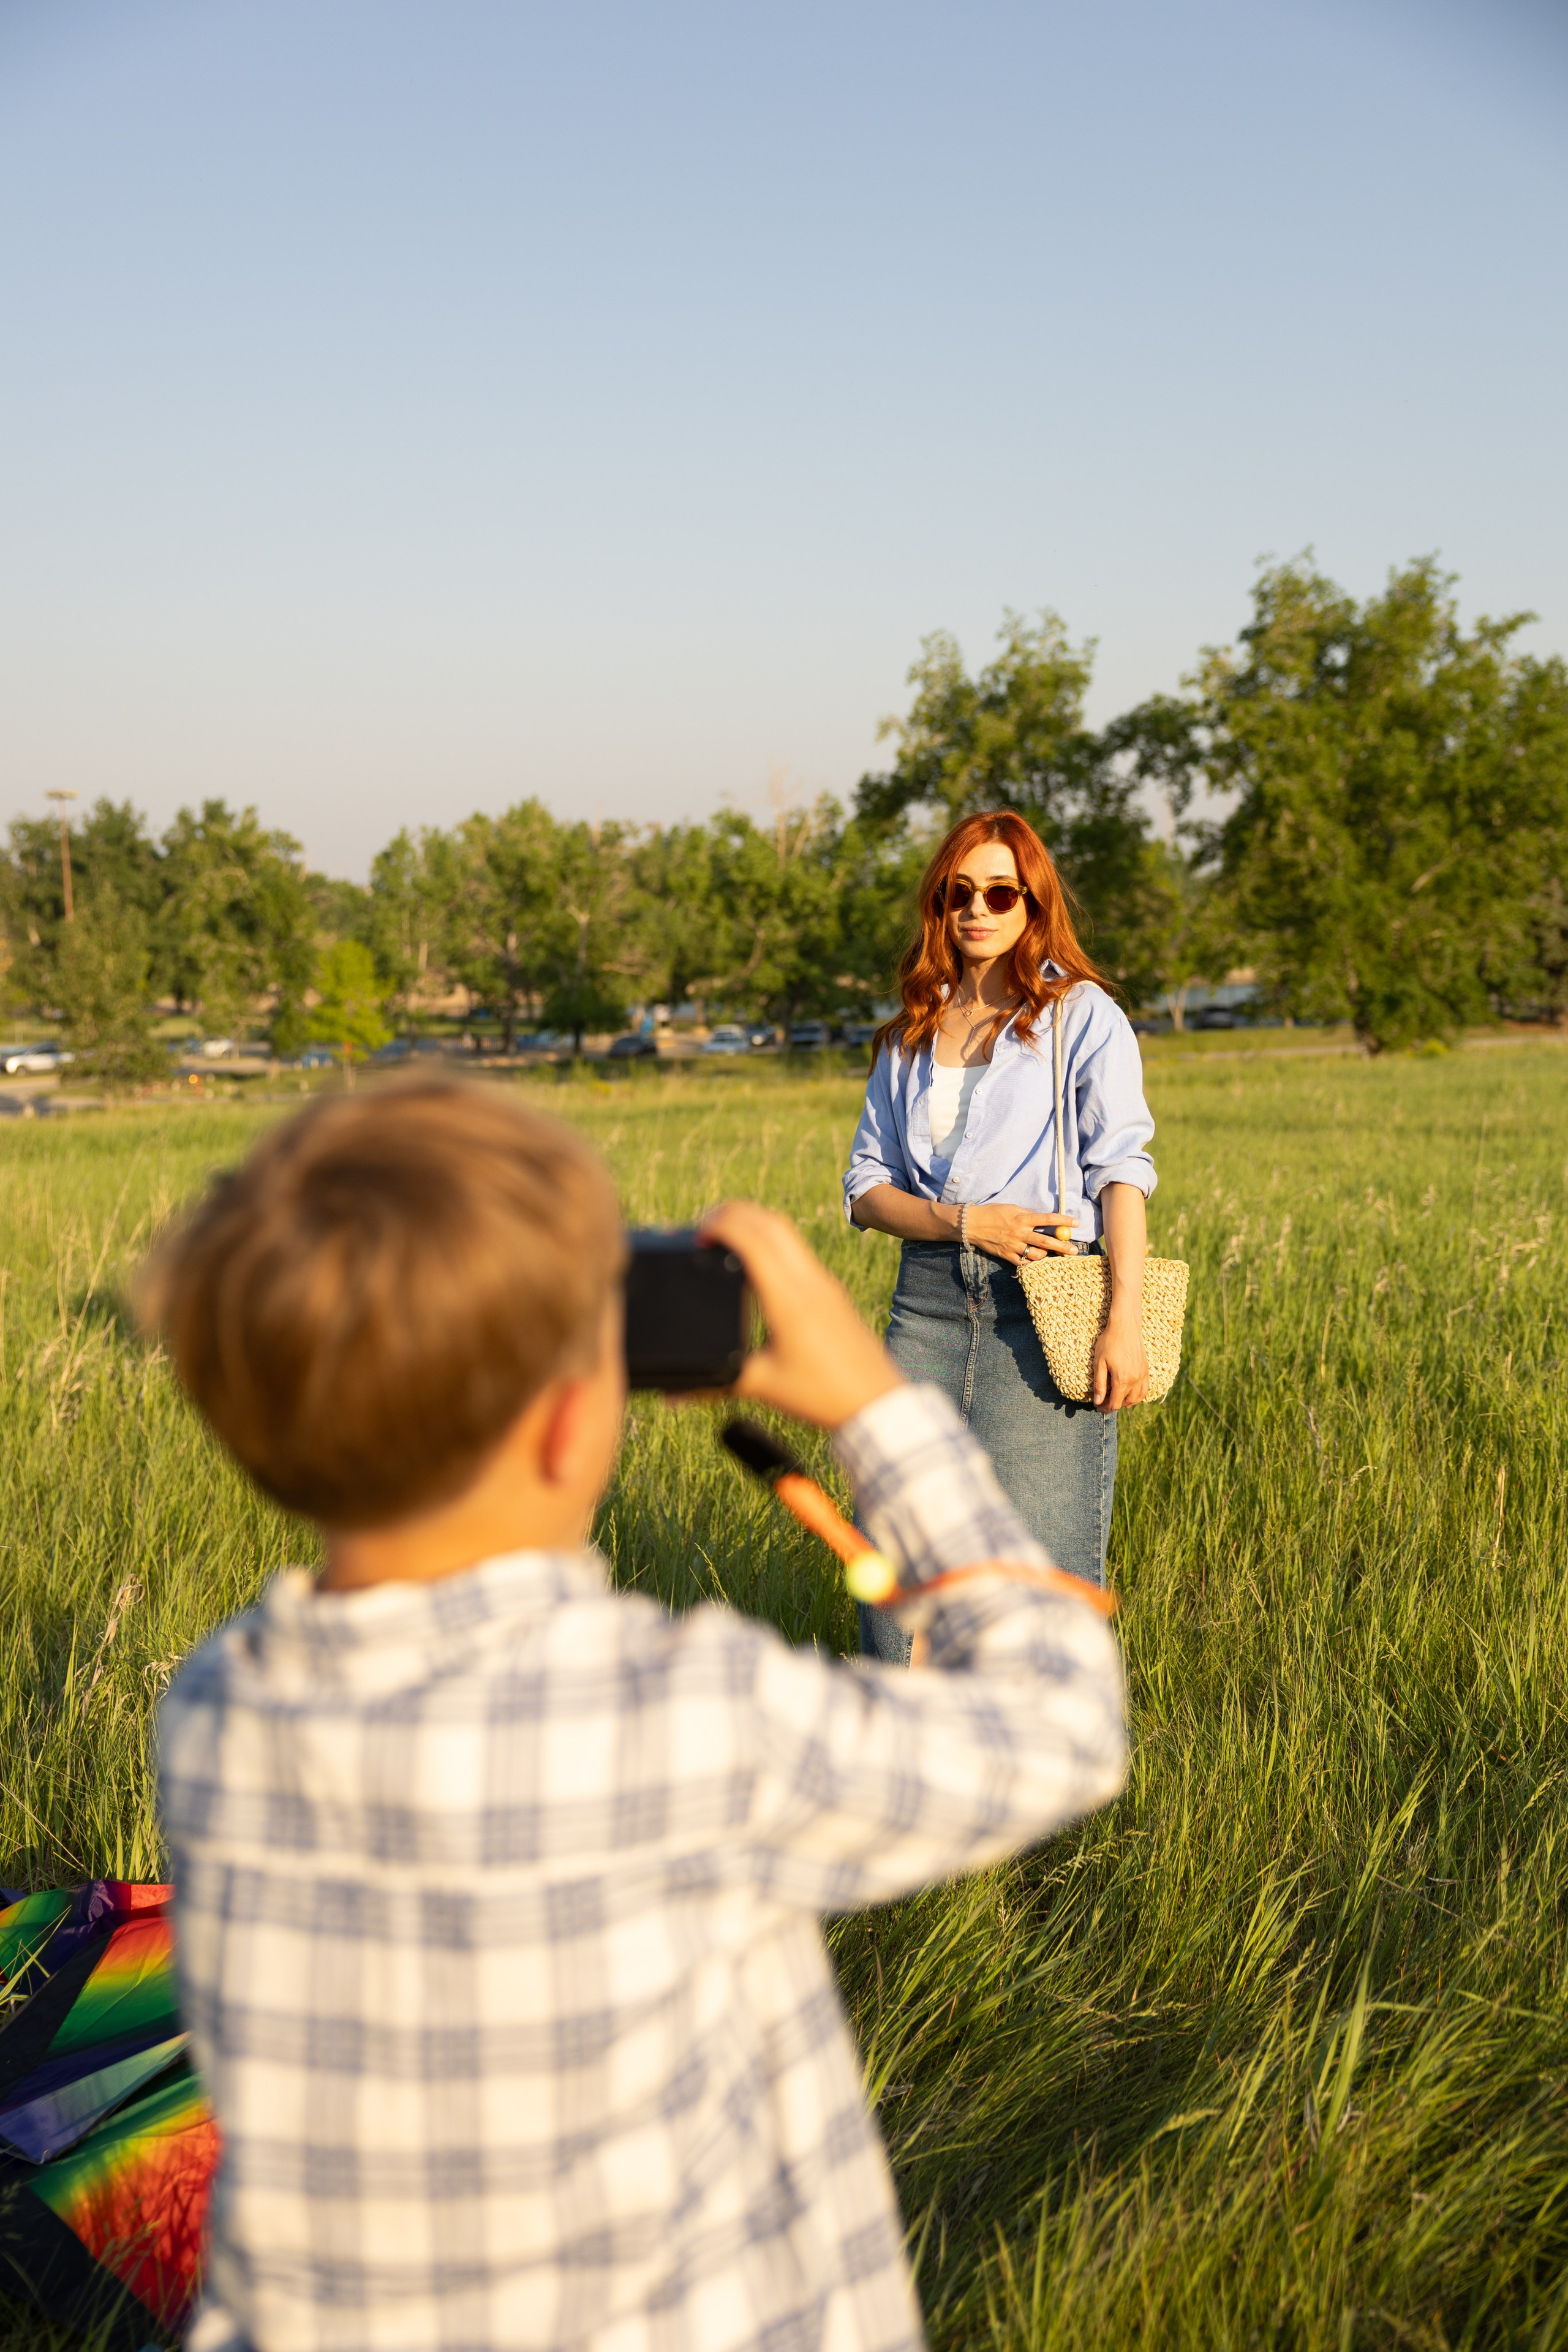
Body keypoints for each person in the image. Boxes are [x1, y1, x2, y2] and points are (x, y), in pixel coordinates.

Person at [145, 1077, 1126, 2352]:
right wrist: (881, 1414)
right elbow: (1061, 1726)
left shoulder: (219, 1700)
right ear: (569, 1424)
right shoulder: (672, 1721)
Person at [843, 810, 1156, 1662]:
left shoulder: (1080, 1016)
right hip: (926, 1311)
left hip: (1044, 1310)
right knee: (899, 1560)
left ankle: (1035, 1777)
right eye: (958, 893)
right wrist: (962, 1221)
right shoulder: (913, 1028)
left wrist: (1121, 1317)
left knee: (1039, 1575)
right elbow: (867, 1187)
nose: (976, 909)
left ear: (1032, 904)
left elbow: (1122, 1170)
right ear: (938, 906)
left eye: (999, 893)